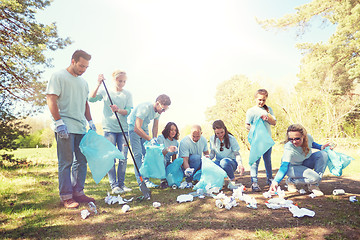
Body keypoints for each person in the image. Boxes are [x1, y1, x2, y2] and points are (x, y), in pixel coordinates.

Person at [46, 50, 96, 209]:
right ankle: (66, 196)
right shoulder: (58, 76)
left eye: (86, 67)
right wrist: (59, 122)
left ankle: (78, 192)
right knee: (66, 162)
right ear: (73, 61)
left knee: (82, 161)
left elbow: (85, 103)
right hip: (65, 126)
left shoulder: (83, 83)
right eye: (81, 65)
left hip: (80, 127)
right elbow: (51, 99)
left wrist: (90, 121)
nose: (83, 69)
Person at [89, 70, 133, 194]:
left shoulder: (127, 94)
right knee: (110, 158)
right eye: (120, 81)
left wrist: (118, 110)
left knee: (123, 158)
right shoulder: (105, 92)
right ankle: (114, 186)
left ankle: (122, 185)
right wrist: (98, 84)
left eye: (124, 81)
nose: (122, 83)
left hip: (123, 129)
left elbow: (128, 111)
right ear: (114, 80)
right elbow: (91, 99)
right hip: (109, 129)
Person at [270, 124, 332, 196]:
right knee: (315, 178)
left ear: (303, 136)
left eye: (297, 138)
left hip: (304, 163)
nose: (294, 142)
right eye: (291, 139)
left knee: (323, 154)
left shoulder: (308, 137)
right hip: (292, 168)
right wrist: (275, 181)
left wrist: (321, 147)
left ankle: (313, 185)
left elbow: (312, 143)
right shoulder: (289, 147)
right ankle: (291, 181)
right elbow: (284, 166)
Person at [128, 94, 171, 188]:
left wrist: (154, 138)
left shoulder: (158, 112)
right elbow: (137, 128)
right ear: (157, 103)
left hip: (144, 129)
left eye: (165, 110)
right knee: (138, 155)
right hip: (133, 129)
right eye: (163, 109)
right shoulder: (145, 108)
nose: (163, 112)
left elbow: (155, 126)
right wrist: (150, 139)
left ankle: (146, 180)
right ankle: (141, 182)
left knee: (147, 155)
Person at [245, 89, 276, 192]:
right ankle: (254, 182)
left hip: (267, 140)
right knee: (255, 161)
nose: (261, 102)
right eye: (259, 99)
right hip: (256, 140)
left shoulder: (268, 109)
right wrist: (255, 129)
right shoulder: (251, 111)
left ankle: (270, 179)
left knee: (268, 160)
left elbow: (274, 123)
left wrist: (266, 118)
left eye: (263, 100)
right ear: (255, 98)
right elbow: (247, 125)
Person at [209, 120, 245, 190]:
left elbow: (236, 153)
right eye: (217, 133)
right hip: (218, 162)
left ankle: (232, 180)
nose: (220, 135)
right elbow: (212, 153)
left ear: (224, 129)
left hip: (230, 163)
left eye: (222, 132)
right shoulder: (212, 139)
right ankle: (219, 181)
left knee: (224, 162)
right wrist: (208, 158)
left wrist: (240, 164)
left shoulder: (231, 139)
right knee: (212, 164)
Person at [157, 122, 180, 188]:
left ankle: (169, 179)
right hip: (159, 161)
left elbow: (174, 157)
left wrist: (174, 167)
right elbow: (160, 154)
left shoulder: (175, 142)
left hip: (167, 162)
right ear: (167, 130)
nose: (173, 132)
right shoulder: (161, 138)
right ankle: (163, 181)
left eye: (175, 130)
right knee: (163, 159)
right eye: (171, 130)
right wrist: (168, 149)